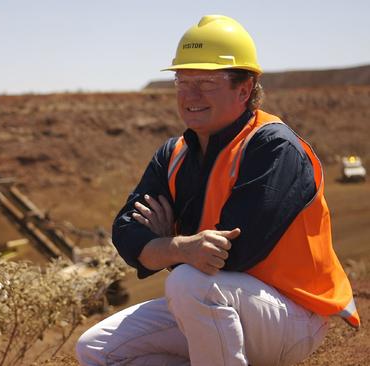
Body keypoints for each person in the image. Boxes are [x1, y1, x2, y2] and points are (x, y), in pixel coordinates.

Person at [76, 14, 360, 366]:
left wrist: (166, 246)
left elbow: (232, 253)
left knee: (188, 282)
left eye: (207, 82)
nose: (190, 95)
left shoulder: (272, 146)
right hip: (218, 301)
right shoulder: (173, 154)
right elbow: (126, 234)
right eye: (183, 80)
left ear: (244, 89)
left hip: (291, 314)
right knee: (95, 348)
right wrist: (180, 247)